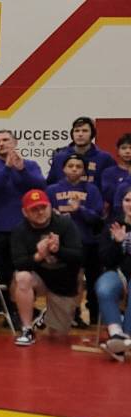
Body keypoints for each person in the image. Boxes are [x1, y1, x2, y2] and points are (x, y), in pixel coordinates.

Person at [0, 130, 46, 329]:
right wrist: (6, 169)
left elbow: (40, 188)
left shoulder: (30, 165)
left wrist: (21, 170)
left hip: (23, 229)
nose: (1, 144)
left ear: (15, 142)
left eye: (5, 140)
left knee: (18, 271)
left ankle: (14, 312)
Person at [10, 189, 82, 346]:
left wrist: (58, 250)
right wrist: (39, 256)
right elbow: (18, 263)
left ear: (50, 207)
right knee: (22, 277)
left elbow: (78, 256)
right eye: (34, 209)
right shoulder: (20, 231)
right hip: (39, 278)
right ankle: (27, 329)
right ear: (25, 212)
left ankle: (47, 315)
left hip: (63, 283)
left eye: (43, 207)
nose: (40, 212)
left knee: (57, 337)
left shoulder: (65, 224)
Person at [45, 154, 103, 326]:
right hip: (60, 241)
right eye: (71, 166)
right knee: (59, 278)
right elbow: (43, 215)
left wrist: (80, 209)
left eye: (78, 166)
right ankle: (57, 313)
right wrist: (53, 216)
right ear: (63, 168)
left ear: (84, 171)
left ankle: (75, 313)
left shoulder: (92, 190)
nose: (74, 169)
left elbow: (97, 217)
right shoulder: (52, 189)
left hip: (84, 241)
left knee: (80, 278)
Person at [96, 188, 131, 362]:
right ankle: (117, 334)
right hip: (118, 273)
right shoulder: (113, 224)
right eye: (127, 200)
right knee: (104, 287)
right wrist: (117, 243)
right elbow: (106, 259)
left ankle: (125, 339)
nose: (130, 204)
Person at [46, 117, 114, 192]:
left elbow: (110, 188)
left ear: (92, 134)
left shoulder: (104, 158)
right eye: (77, 131)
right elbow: (50, 184)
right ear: (72, 134)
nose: (80, 134)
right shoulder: (59, 157)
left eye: (85, 131)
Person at [99, 133, 131, 210]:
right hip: (116, 212)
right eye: (123, 148)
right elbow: (109, 196)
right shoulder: (109, 173)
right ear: (117, 151)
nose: (128, 151)